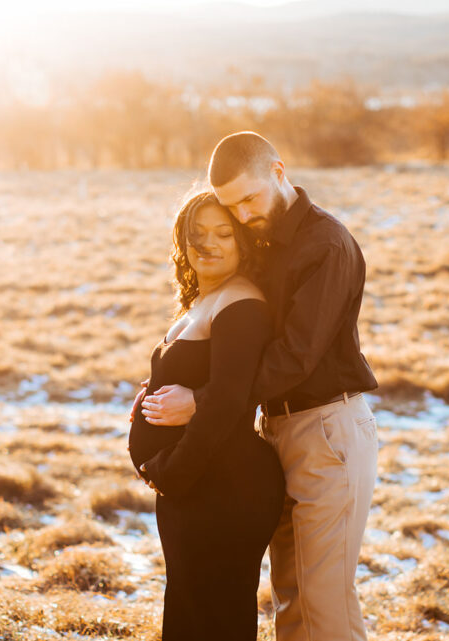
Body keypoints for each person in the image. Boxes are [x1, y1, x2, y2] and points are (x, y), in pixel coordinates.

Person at [139, 132, 380, 641]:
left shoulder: (326, 245)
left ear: (279, 171)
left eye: (250, 199)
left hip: (325, 431)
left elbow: (295, 354)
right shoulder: (269, 241)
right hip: (277, 429)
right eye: (233, 207)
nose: (244, 216)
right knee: (291, 597)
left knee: (324, 602)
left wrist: (204, 402)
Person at [127, 190, 285, 641]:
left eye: (223, 233)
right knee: (190, 612)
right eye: (197, 234)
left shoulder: (242, 305)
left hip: (224, 489)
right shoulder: (207, 299)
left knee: (215, 619)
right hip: (198, 487)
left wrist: (172, 471)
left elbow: (231, 404)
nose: (208, 244)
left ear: (243, 242)